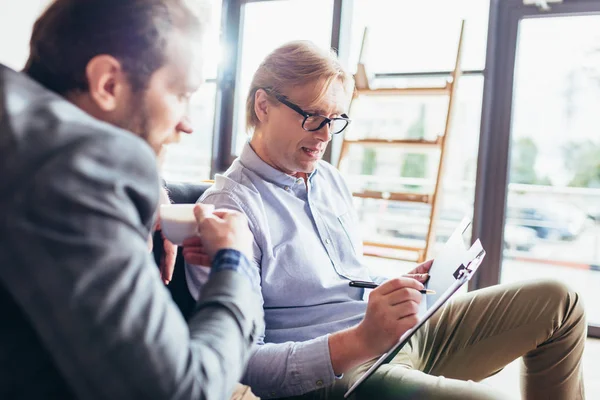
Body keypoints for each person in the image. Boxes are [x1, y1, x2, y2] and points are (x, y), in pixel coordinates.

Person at [185, 41, 587, 400]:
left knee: (561, 301)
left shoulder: (329, 180)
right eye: (313, 117)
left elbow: (344, 278)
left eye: (336, 119)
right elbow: (239, 360)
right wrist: (360, 340)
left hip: (393, 337)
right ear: (263, 106)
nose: (326, 136)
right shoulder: (229, 210)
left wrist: (399, 285)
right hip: (338, 373)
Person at [0, 0, 262, 399]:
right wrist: (235, 263)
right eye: (180, 94)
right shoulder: (75, 166)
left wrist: (135, 181)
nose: (188, 123)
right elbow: (182, 392)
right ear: (108, 84)